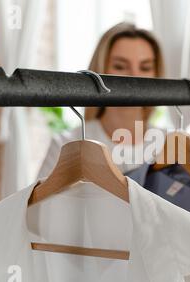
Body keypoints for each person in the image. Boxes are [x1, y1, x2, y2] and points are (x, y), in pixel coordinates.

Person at [37, 23, 165, 179]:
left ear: (157, 74)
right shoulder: (67, 145)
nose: (134, 76)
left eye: (145, 68)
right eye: (120, 66)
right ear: (100, 70)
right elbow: (40, 202)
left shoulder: (172, 145)